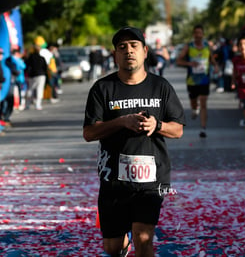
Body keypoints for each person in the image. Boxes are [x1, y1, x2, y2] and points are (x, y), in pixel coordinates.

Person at [83, 26, 185, 256]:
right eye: (122, 47)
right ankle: (124, 244)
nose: (128, 51)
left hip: (152, 178)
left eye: (134, 46)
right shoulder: (102, 88)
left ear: (145, 51)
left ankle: (134, 241)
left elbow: (178, 129)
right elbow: (89, 133)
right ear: (115, 55)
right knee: (112, 247)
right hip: (113, 180)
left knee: (144, 236)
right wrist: (121, 122)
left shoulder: (161, 87)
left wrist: (156, 125)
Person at [176, 24, 218, 138]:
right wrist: (189, 63)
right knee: (194, 102)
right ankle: (195, 109)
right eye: (196, 33)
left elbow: (211, 59)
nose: (198, 35)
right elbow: (178, 61)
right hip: (192, 81)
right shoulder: (188, 46)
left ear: (202, 34)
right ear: (193, 35)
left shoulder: (207, 46)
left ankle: (203, 128)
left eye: (200, 33)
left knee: (203, 103)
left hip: (204, 79)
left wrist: (216, 66)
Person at [25, 43, 48, 110]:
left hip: (32, 75)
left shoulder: (30, 58)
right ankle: (38, 104)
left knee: (30, 89)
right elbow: (45, 67)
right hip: (41, 75)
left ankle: (27, 104)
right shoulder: (42, 58)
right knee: (39, 89)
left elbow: (26, 66)